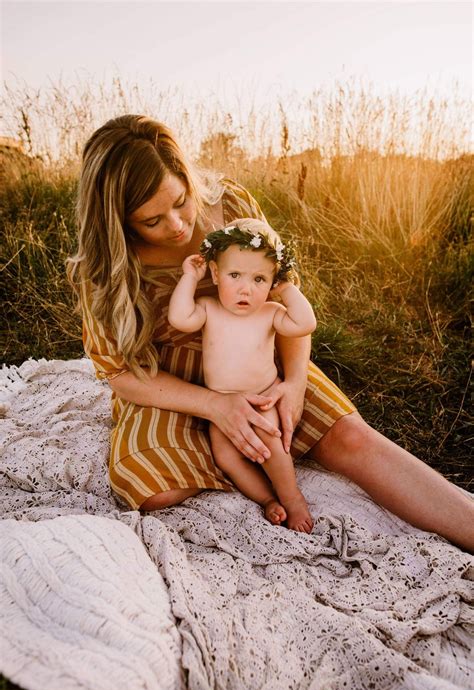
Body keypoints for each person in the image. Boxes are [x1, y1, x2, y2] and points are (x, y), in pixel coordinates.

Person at [67, 114, 474, 552]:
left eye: (181, 201)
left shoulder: (231, 206)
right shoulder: (104, 267)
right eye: (152, 220)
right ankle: (236, 456)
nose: (178, 224)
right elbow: (120, 373)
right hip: (168, 381)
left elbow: (283, 295)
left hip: (261, 358)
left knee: (351, 438)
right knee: (156, 491)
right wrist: (214, 406)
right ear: (120, 220)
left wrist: (295, 383)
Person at [168, 218, 317, 532]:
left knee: (270, 448)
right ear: (216, 273)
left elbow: (305, 324)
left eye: (260, 279)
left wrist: (286, 289)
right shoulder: (208, 308)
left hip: (263, 397)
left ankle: (292, 499)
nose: (246, 288)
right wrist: (189, 278)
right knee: (226, 457)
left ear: (272, 283)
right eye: (234, 275)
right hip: (221, 403)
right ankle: (266, 499)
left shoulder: (270, 314)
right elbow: (180, 318)